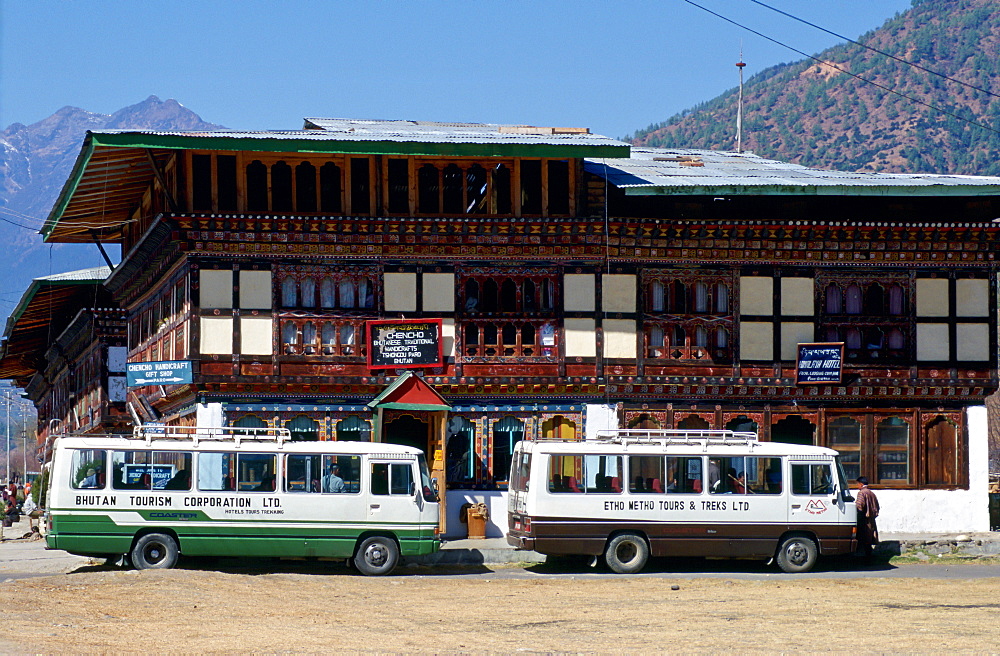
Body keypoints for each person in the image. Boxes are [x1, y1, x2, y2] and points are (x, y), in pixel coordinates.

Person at [855, 476, 880, 559]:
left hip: (864, 519)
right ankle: (869, 556)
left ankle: (865, 558)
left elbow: (859, 506)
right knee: (869, 539)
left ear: (861, 484)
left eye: (857, 484)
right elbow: (877, 507)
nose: (857, 486)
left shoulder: (861, 493)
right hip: (871, 519)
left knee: (863, 538)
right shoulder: (871, 493)